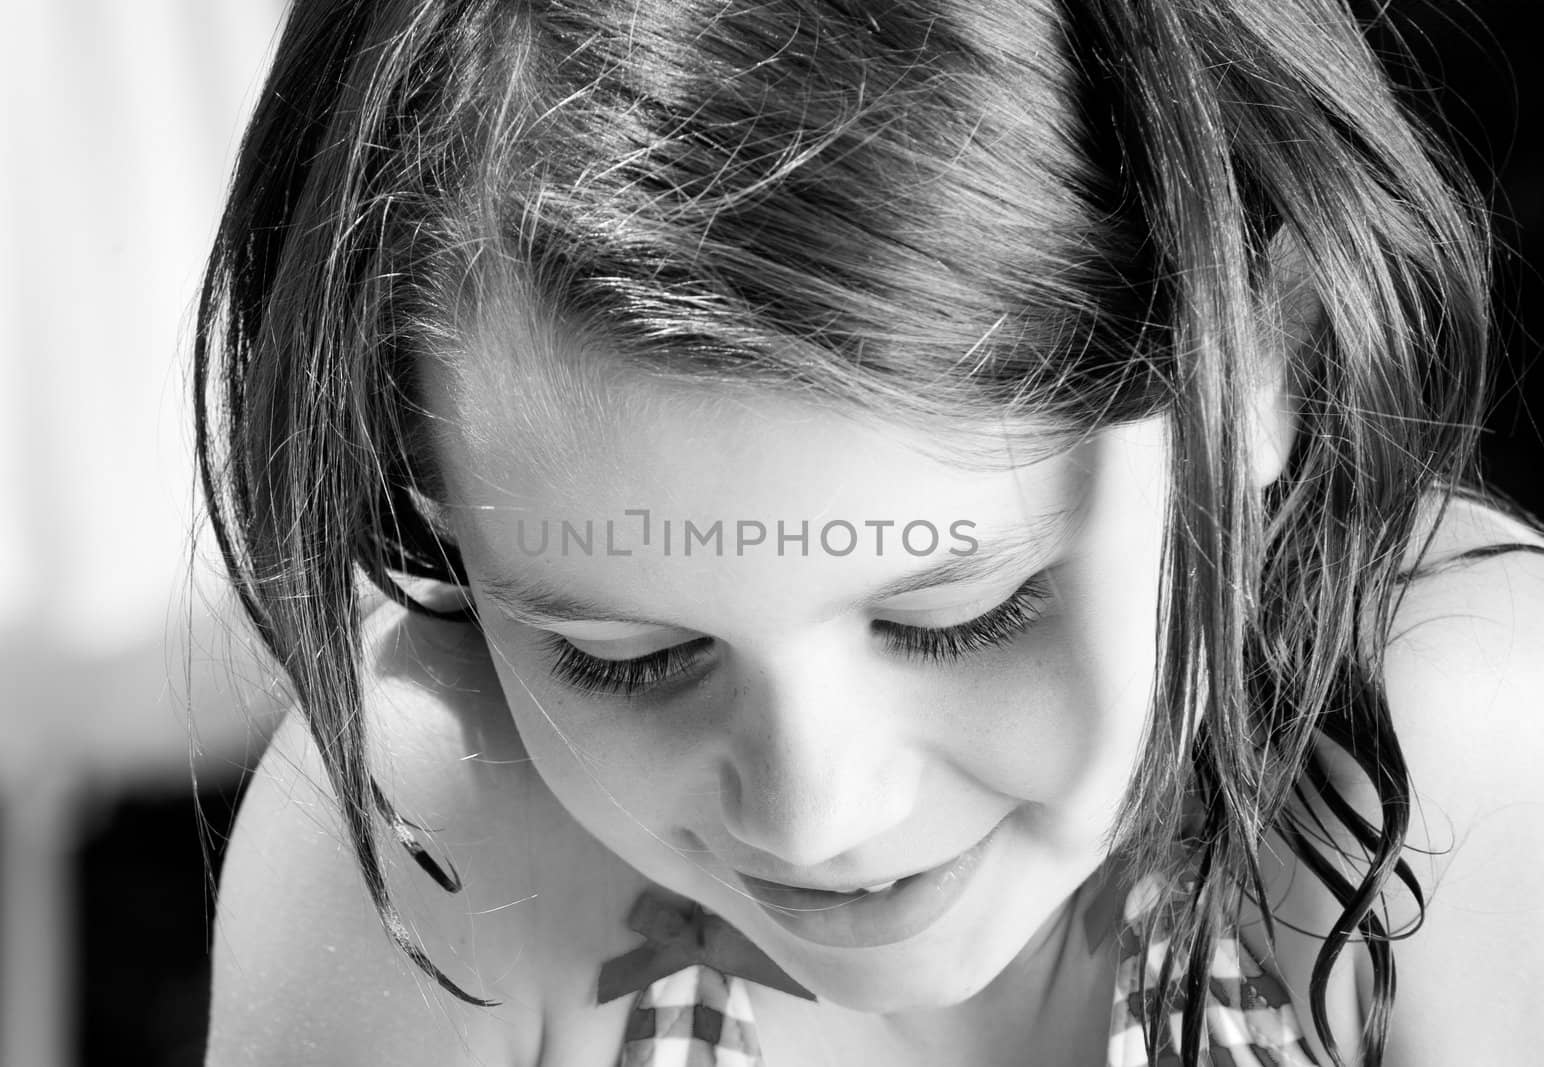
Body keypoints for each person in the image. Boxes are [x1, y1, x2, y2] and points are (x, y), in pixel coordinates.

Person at [195, 1, 1544, 1064]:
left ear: (1263, 364)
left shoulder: (1453, 771)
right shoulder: (445, 848)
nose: (815, 813)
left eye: (962, 616)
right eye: (626, 656)